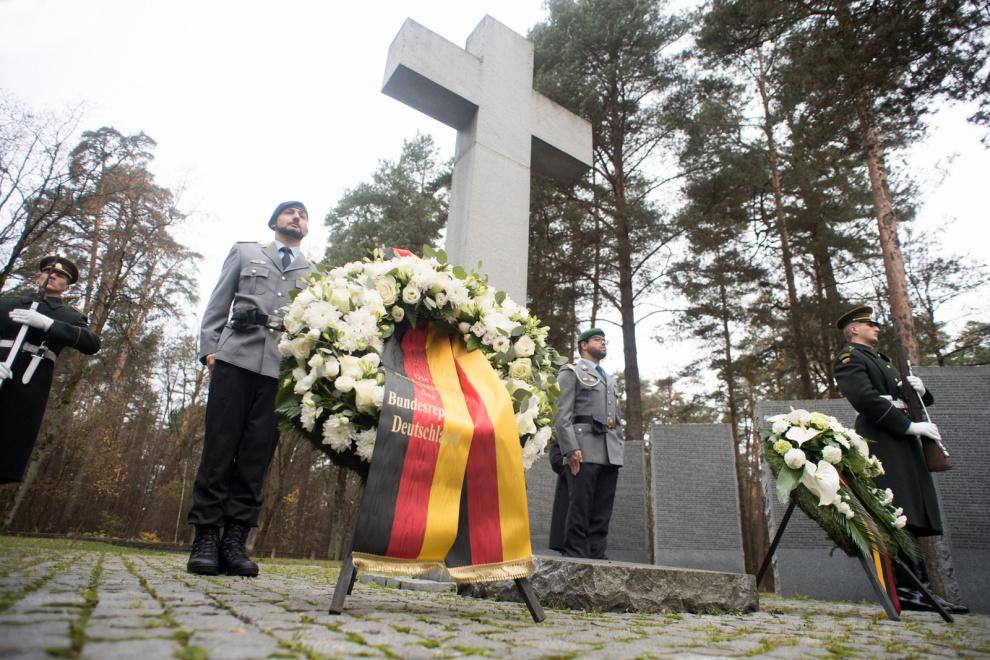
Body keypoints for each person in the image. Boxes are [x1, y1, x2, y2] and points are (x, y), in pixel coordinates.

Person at [186, 201, 318, 577]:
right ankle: (206, 537)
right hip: (234, 359)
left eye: (303, 215)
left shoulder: (314, 273)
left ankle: (234, 541)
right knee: (219, 449)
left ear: (307, 228)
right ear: (274, 221)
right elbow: (218, 301)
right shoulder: (245, 252)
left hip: (280, 372)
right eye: (290, 212)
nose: (296, 217)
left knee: (256, 458)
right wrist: (209, 349)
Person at [833, 305, 967, 613]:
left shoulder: (882, 360)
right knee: (896, 509)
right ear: (854, 329)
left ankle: (919, 589)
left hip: (901, 439)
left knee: (909, 511)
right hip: (882, 438)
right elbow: (865, 398)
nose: (876, 327)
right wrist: (907, 426)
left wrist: (921, 390)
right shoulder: (850, 358)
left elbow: (906, 397)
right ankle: (907, 589)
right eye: (869, 324)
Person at [0, 256, 101, 484]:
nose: (52, 275)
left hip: (25, 393)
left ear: (66, 287)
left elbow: (92, 343)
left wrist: (49, 324)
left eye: (60, 275)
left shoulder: (69, 316)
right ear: (39, 276)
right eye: (48, 271)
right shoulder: (7, 305)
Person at [553, 327, 624, 559]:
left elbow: (616, 419)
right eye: (597, 339)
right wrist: (570, 448)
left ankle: (597, 555)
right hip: (583, 449)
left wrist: (618, 447)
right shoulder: (571, 372)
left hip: (609, 452)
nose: (603, 343)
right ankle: (576, 556)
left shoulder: (609, 379)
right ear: (583, 345)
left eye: (605, 340)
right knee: (580, 506)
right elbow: (561, 415)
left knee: (602, 510)